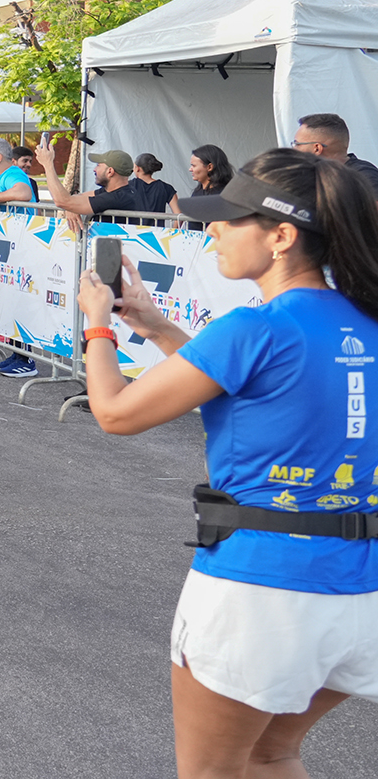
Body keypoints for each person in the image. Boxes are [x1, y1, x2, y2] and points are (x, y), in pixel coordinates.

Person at [76, 148, 378, 777]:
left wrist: (98, 326)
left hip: (262, 587)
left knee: (213, 771)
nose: (211, 229)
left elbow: (115, 413)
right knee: (273, 754)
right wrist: (158, 328)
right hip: (360, 585)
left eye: (230, 218)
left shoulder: (253, 327)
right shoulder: (363, 319)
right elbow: (254, 385)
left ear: (282, 237)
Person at [32, 141, 143, 221]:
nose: (94, 169)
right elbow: (75, 199)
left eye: (98, 165)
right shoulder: (118, 191)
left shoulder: (118, 198)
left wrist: (48, 164)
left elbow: (62, 201)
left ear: (110, 171)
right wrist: (71, 207)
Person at [292, 112, 378, 197]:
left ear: (317, 148)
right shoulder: (311, 176)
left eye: (297, 144)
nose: (294, 149)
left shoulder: (363, 176)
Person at [170, 144, 234, 215]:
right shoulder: (198, 192)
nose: (190, 169)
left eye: (194, 166)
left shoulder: (225, 196)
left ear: (209, 167)